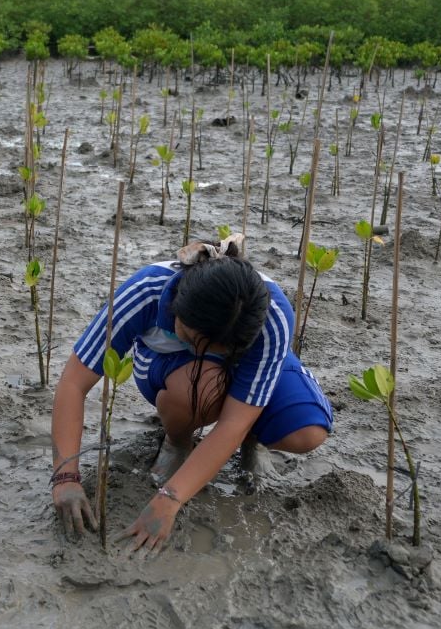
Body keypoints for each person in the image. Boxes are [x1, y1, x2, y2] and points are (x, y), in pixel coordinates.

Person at [50, 234, 332, 554]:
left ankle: (253, 439)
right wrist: (65, 477)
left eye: (219, 348)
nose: (208, 353)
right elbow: (74, 382)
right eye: (198, 340)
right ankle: (178, 442)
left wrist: (171, 499)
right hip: (172, 369)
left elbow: (232, 423)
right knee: (202, 381)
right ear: (178, 310)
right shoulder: (146, 291)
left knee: (306, 432)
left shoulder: (272, 314)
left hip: (246, 361)